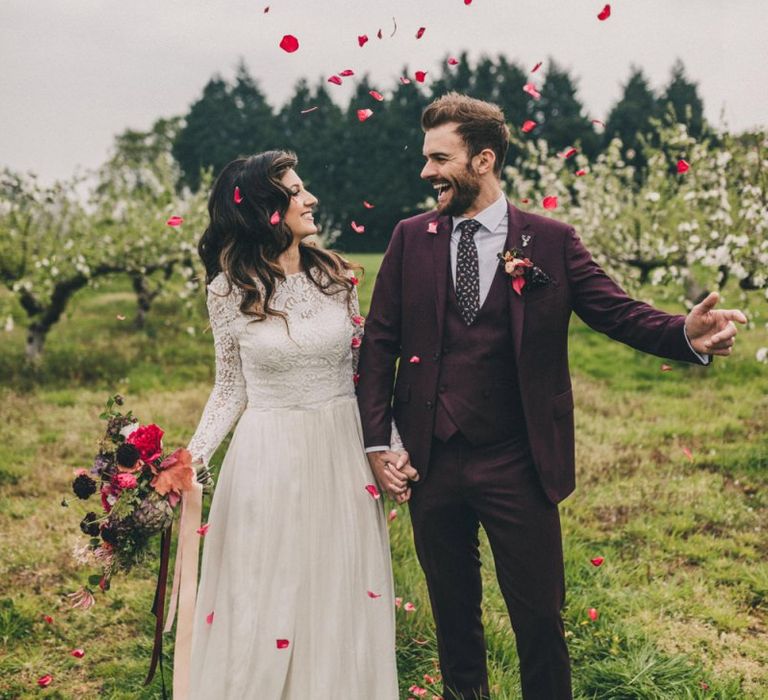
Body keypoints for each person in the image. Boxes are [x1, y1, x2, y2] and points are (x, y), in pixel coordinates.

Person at [356, 93, 747, 700]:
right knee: (453, 616)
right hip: (430, 459)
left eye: (439, 158)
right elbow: (378, 344)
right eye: (426, 158)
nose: (426, 172)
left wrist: (683, 333)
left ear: (483, 159)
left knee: (539, 617)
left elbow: (617, 313)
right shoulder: (411, 239)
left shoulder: (551, 240)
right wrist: (379, 443)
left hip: (518, 459)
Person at [185, 151, 399, 699]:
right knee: (271, 586)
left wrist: (389, 444)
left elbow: (362, 373)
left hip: (341, 450)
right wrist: (193, 457)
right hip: (269, 455)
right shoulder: (228, 291)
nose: (311, 199)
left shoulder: (335, 276)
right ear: (265, 209)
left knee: (337, 584)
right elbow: (230, 386)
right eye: (296, 191)